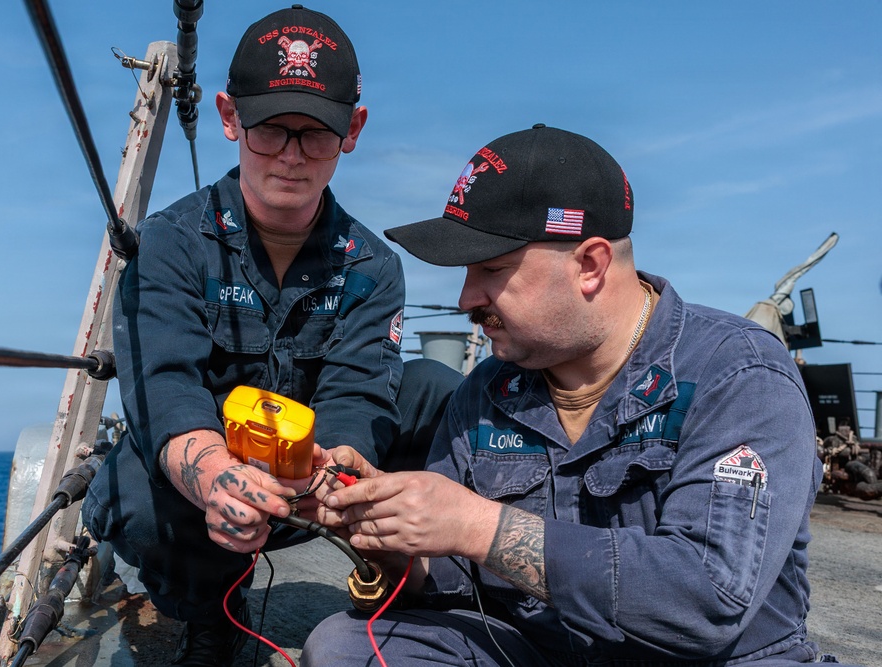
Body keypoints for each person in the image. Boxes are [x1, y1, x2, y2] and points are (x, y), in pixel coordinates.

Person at [301, 125, 854, 665]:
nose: (468, 297)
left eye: (492, 269)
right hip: (534, 648)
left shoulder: (736, 376)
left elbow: (706, 601)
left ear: (589, 265)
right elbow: (451, 582)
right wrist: (386, 535)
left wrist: (477, 524)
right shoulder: (488, 391)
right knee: (345, 646)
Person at [81, 6, 461, 665]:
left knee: (444, 393)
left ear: (354, 130)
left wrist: (330, 475)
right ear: (230, 117)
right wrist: (220, 481)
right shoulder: (170, 245)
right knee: (125, 491)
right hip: (206, 502)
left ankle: (431, 579)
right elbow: (163, 388)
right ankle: (206, 611)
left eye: (317, 134)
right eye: (269, 129)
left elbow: (360, 394)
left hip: (311, 487)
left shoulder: (372, 265)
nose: (291, 155)